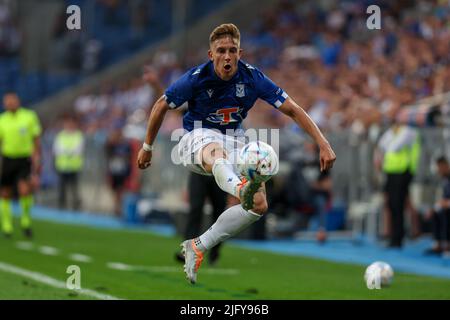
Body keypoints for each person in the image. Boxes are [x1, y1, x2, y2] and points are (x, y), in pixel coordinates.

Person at [137, 23, 336, 284]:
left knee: (259, 205)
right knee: (215, 155)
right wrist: (147, 146)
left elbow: (292, 109)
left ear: (240, 53)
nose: (227, 56)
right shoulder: (197, 77)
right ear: (211, 55)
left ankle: (198, 245)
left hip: (234, 138)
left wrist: (322, 142)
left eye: (232, 50)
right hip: (196, 137)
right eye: (221, 50)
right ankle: (240, 189)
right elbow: (162, 105)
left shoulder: (252, 77)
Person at [0, 92, 42, 238]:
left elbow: (36, 139)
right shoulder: (2, 120)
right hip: (7, 159)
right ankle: (7, 225)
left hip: (24, 159)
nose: (10, 103)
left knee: (24, 190)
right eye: (7, 101)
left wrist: (37, 158)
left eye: (12, 100)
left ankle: (25, 221)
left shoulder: (29, 116)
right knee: (5, 193)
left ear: (18, 101)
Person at [375, 121, 421, 248]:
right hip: (391, 172)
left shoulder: (408, 132)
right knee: (392, 205)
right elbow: (382, 144)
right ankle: (395, 236)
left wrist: (390, 137)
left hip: (403, 172)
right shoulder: (394, 133)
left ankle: (398, 237)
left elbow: (392, 147)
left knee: (398, 205)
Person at [175, 172, 227, 265]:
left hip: (219, 172)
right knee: (195, 210)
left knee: (219, 215)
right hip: (199, 170)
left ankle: (214, 253)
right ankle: (188, 252)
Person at [53, 115, 84, 210]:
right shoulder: (60, 135)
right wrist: (68, 151)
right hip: (62, 166)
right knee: (62, 188)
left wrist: (66, 151)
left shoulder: (78, 135)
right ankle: (62, 206)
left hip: (74, 167)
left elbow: (78, 150)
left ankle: (76, 206)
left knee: (74, 188)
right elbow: (56, 149)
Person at [423, 156, 450, 256]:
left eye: (440, 167)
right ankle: (438, 244)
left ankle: (447, 245)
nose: (439, 170)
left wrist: (446, 204)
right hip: (445, 206)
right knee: (436, 213)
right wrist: (434, 208)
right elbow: (443, 198)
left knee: (445, 213)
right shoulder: (444, 180)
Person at [105, 127, 132, 217]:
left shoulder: (125, 146)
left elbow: (128, 157)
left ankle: (119, 208)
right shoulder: (112, 145)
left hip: (122, 171)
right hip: (114, 171)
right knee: (115, 191)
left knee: (121, 191)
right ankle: (116, 208)